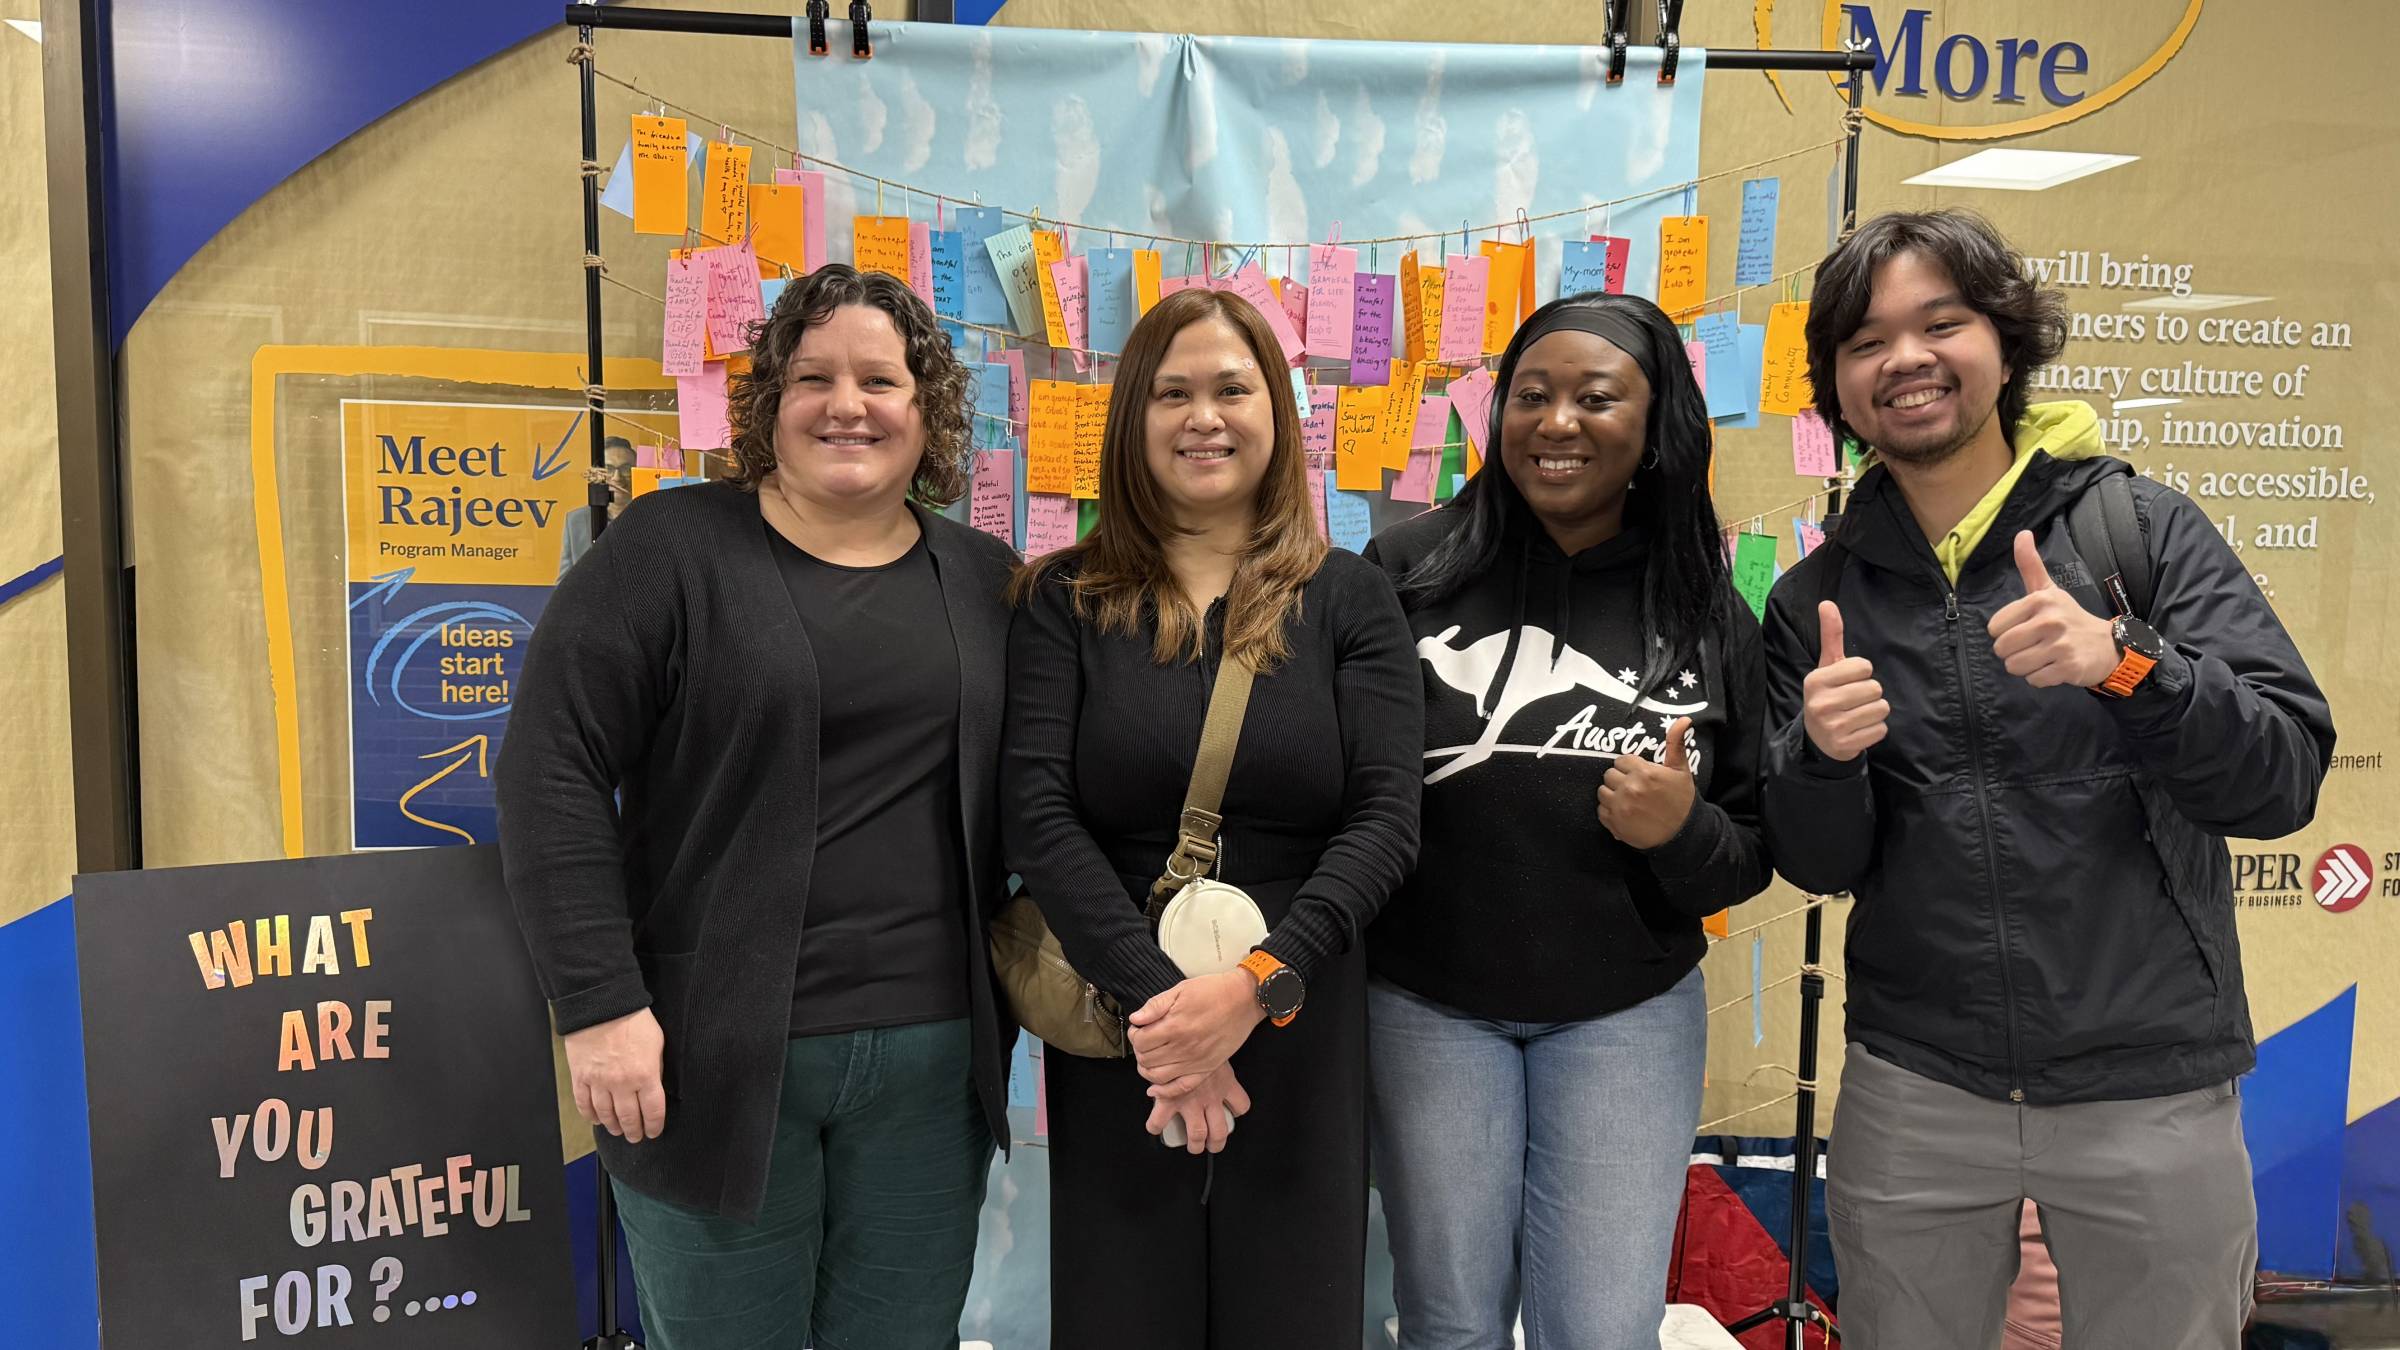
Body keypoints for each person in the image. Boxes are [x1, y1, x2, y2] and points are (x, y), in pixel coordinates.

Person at [1759, 211, 2334, 1350]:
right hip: (1917, 1086)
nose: (1906, 360)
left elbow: (2281, 780)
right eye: (1867, 342)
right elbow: (1822, 866)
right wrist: (1819, 761)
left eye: (1942, 323)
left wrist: (2129, 665)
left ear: (2005, 345)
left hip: (2149, 1081)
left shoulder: (2140, 534)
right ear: (1836, 382)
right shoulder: (1818, 597)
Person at [497, 265, 1022, 1350]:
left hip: (933, 1068)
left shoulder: (986, 581)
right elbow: (549, 772)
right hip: (709, 1063)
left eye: (881, 379)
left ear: (927, 410)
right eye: (813, 377)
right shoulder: (668, 553)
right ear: (768, 404)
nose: (848, 404)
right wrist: (596, 1004)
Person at [1000, 286, 1422, 1349]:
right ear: (1133, 418)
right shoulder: (1065, 600)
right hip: (1122, 1019)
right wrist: (1171, 1020)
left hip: (1301, 1006)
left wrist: (1255, 988)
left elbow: (1385, 820)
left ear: (1277, 411)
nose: (1205, 416)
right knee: (1119, 1312)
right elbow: (1038, 813)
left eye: (1232, 388)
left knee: (1297, 1311)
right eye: (1173, 392)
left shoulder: (1349, 598)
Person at [1362, 292, 1774, 1349]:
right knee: (1447, 1322)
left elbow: (1749, 854)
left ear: (1654, 425)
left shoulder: (1705, 610)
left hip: (1625, 1015)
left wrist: (1681, 831)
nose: (1556, 424)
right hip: (1427, 1003)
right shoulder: (1404, 571)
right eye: (1530, 397)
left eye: (1596, 399)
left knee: (1599, 1329)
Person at [556, 434, 637, 579]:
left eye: (626, 469)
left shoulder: (652, 518)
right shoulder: (576, 521)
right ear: (597, 475)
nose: (617, 478)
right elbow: (564, 584)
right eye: (609, 469)